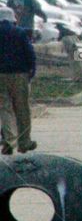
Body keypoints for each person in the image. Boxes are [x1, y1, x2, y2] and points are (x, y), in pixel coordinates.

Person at [0, 17, 37, 154]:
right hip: (20, 74)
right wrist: (32, 70)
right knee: (22, 109)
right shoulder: (20, 32)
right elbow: (30, 53)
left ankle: (9, 141)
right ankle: (24, 142)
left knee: (5, 108)